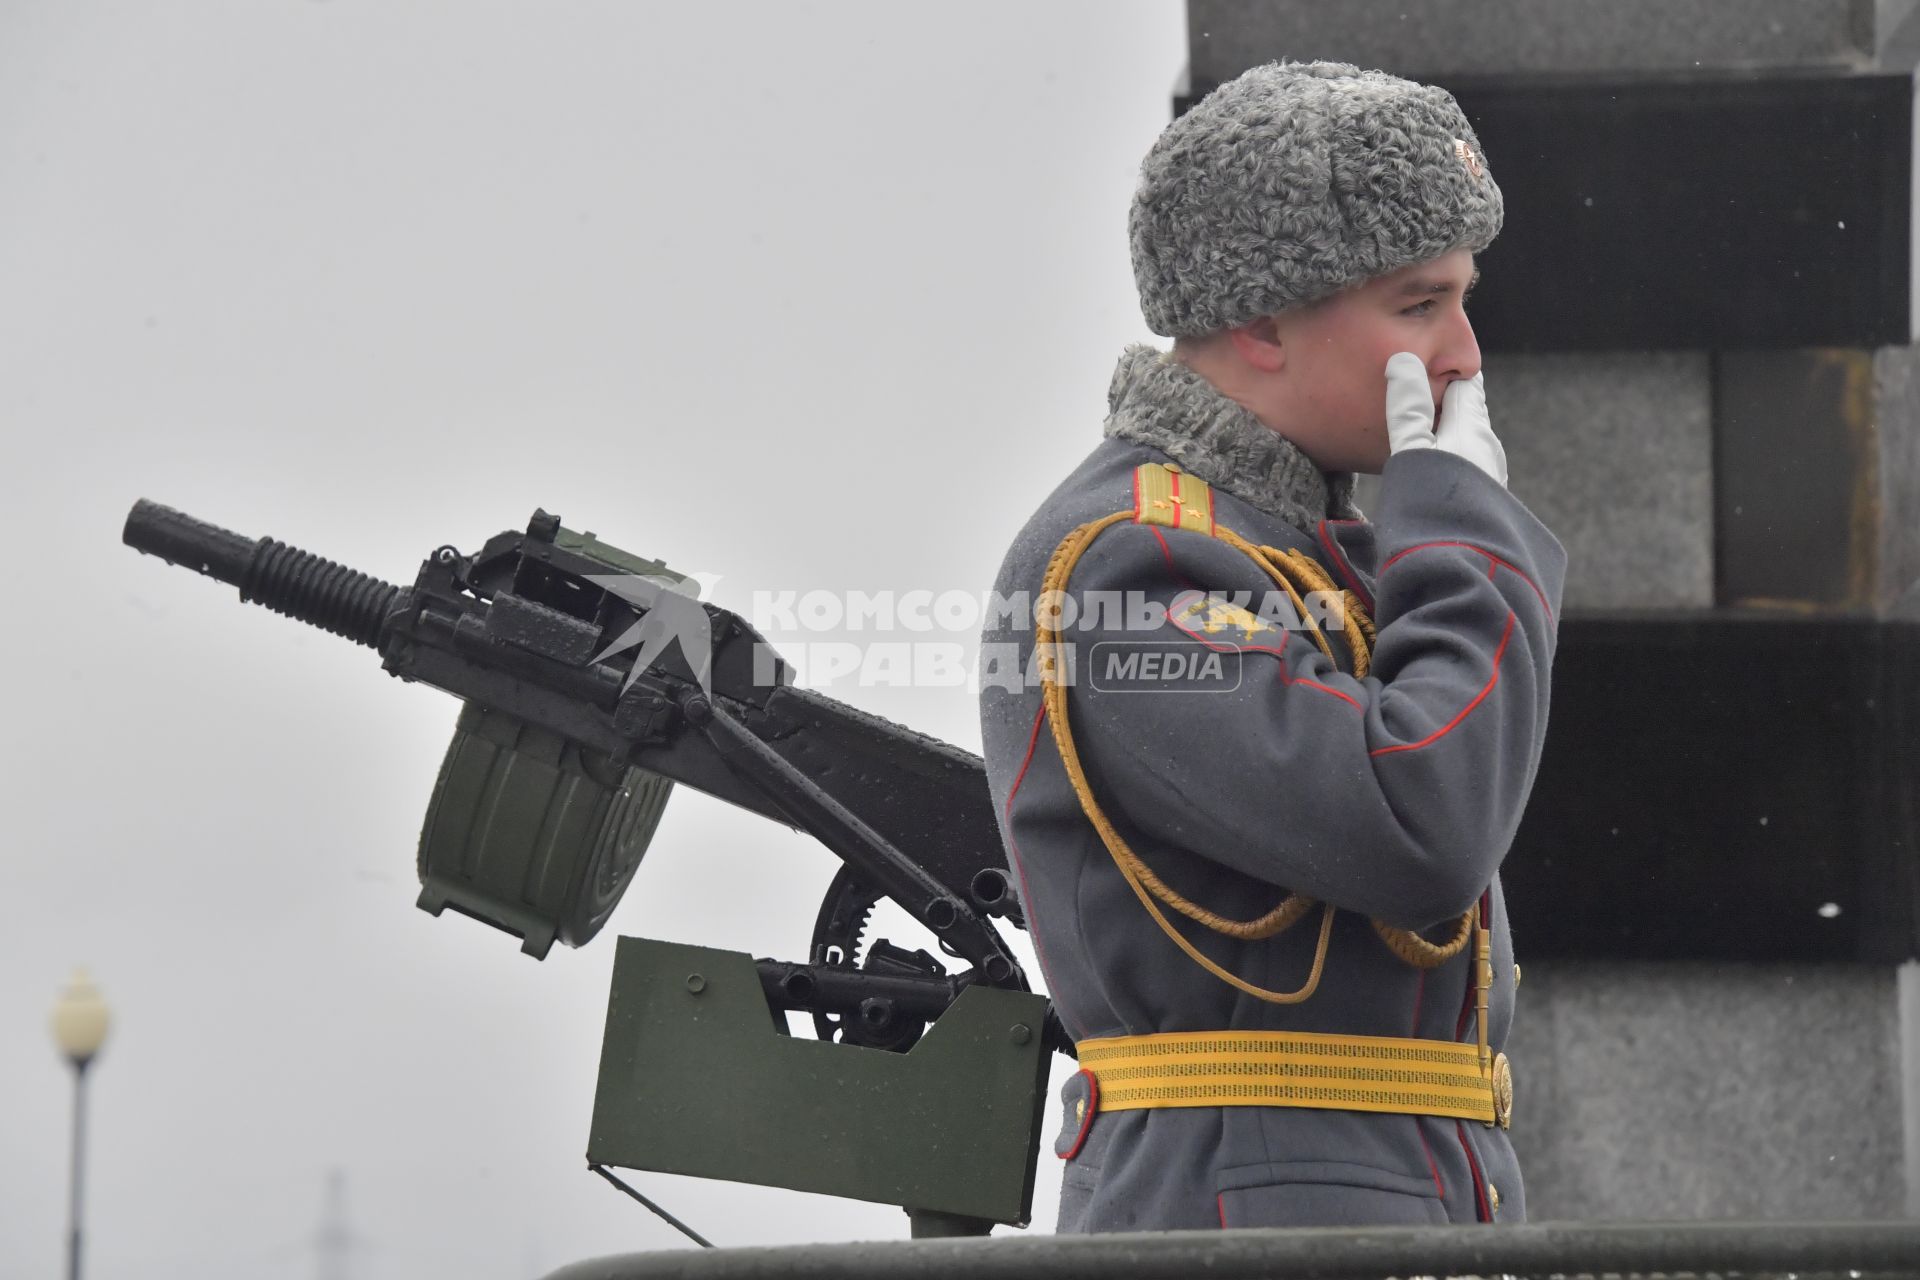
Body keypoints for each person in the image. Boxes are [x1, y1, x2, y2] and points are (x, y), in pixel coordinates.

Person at [978, 61, 1566, 1232]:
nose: (1464, 353)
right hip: (1254, 1211)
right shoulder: (1124, 560)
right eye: (1417, 304)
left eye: (1462, 297)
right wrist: (1461, 536)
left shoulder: (1284, 541)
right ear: (1259, 321)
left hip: (1368, 1191)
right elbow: (1423, 817)